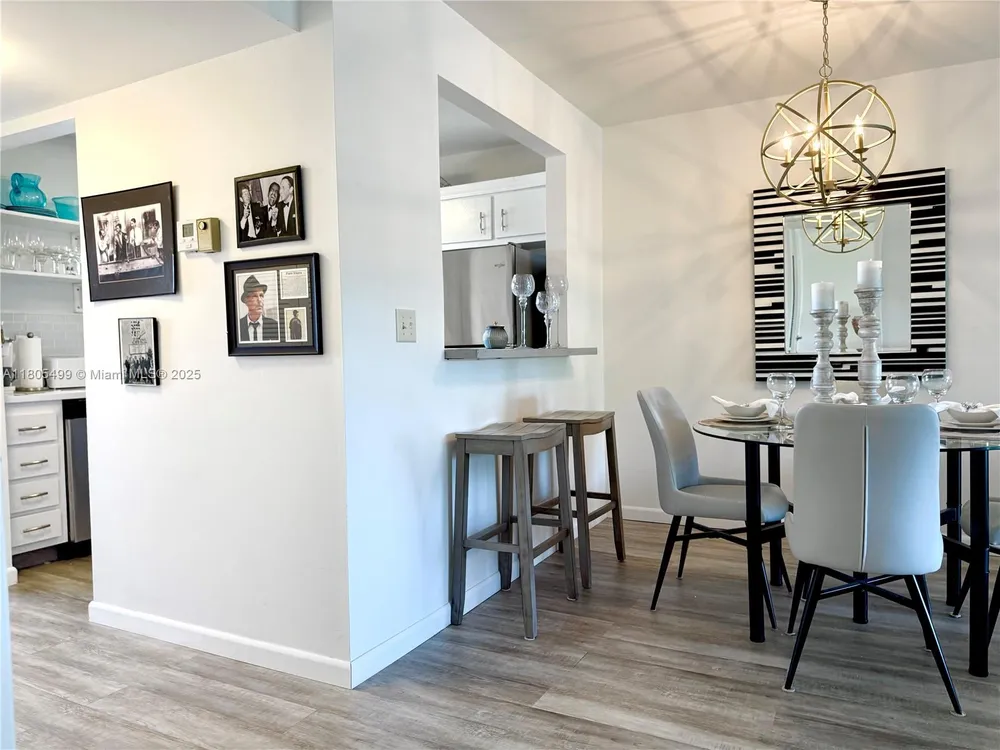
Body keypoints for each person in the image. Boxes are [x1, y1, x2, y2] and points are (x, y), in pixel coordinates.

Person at [237, 275, 279, 342]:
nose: (259, 300)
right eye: (254, 296)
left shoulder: (274, 325)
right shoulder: (238, 326)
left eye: (261, 295)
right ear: (246, 300)